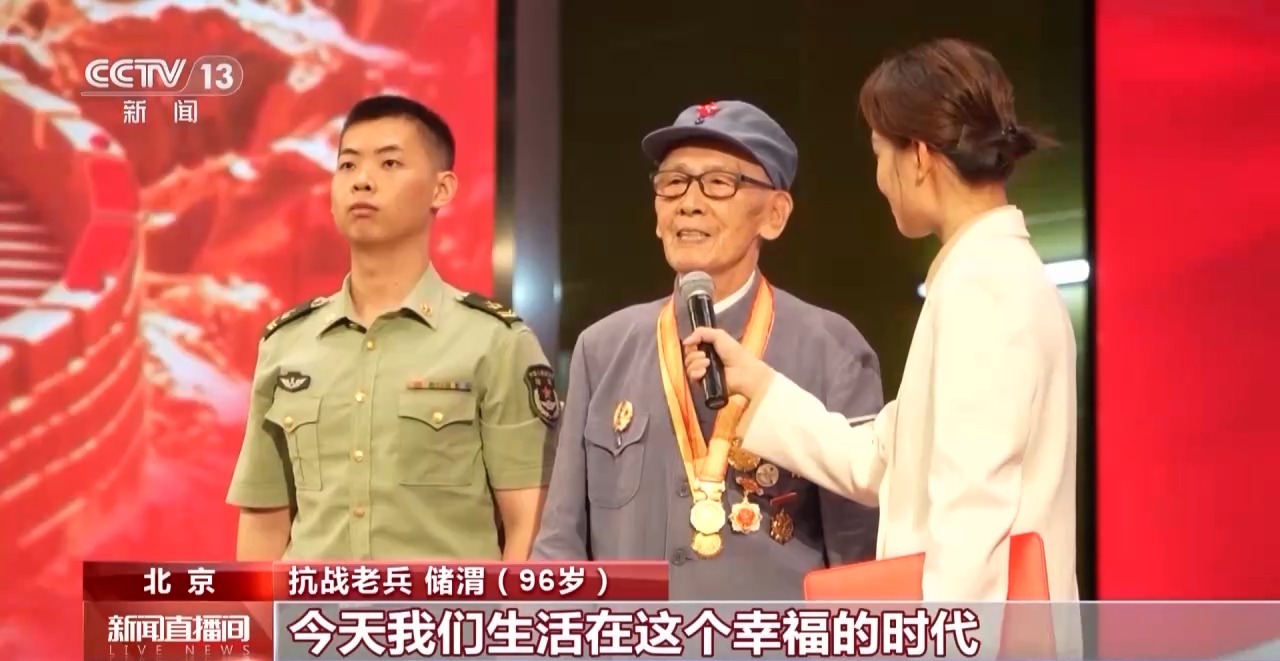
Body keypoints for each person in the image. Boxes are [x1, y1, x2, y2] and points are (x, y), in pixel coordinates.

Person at [684, 38, 1079, 637]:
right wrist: (758, 386)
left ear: (917, 156)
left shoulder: (985, 288)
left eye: (878, 153)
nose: (879, 178)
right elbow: (878, 458)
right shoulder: (985, 277)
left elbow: (972, 520)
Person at [532, 100, 883, 599]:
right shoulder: (603, 347)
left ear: (775, 215)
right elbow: (560, 545)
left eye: (719, 183)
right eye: (673, 182)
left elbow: (860, 560)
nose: (689, 203)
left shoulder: (832, 348)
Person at [226, 95, 559, 562]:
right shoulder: (286, 343)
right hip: (312, 611)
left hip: (441, 610)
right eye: (347, 165)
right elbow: (263, 523)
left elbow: (530, 522)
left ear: (441, 189)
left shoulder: (497, 343)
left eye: (389, 163)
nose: (362, 180)